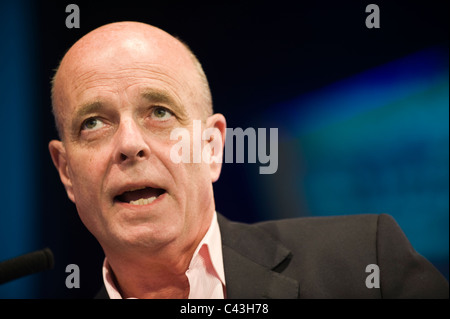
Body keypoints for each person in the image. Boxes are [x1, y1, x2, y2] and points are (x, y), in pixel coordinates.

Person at [48, 21, 448, 299]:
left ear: (211, 148)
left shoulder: (363, 260)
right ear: (66, 171)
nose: (129, 144)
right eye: (94, 122)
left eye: (159, 112)